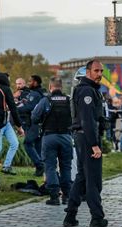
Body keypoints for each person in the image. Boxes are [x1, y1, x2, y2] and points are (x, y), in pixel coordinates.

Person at [63, 60, 108, 227]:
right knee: (93, 180)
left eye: (101, 71)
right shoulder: (87, 91)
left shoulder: (87, 90)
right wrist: (95, 145)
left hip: (83, 137)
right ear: (88, 72)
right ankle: (97, 217)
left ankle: (70, 215)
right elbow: (88, 121)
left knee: (82, 177)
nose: (99, 74)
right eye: (96, 70)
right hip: (87, 137)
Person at [32, 77, 73, 206]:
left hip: (49, 137)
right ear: (61, 87)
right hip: (66, 136)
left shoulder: (46, 100)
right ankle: (66, 196)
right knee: (66, 166)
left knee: (50, 166)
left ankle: (54, 196)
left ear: (50, 87)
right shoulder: (69, 101)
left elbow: (34, 117)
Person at [17, 75, 45, 176]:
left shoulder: (35, 94)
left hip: (34, 123)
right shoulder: (41, 92)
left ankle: (39, 165)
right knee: (38, 145)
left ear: (36, 82)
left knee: (27, 143)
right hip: (40, 124)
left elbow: (29, 107)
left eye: (30, 81)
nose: (28, 83)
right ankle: (41, 169)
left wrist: (15, 109)